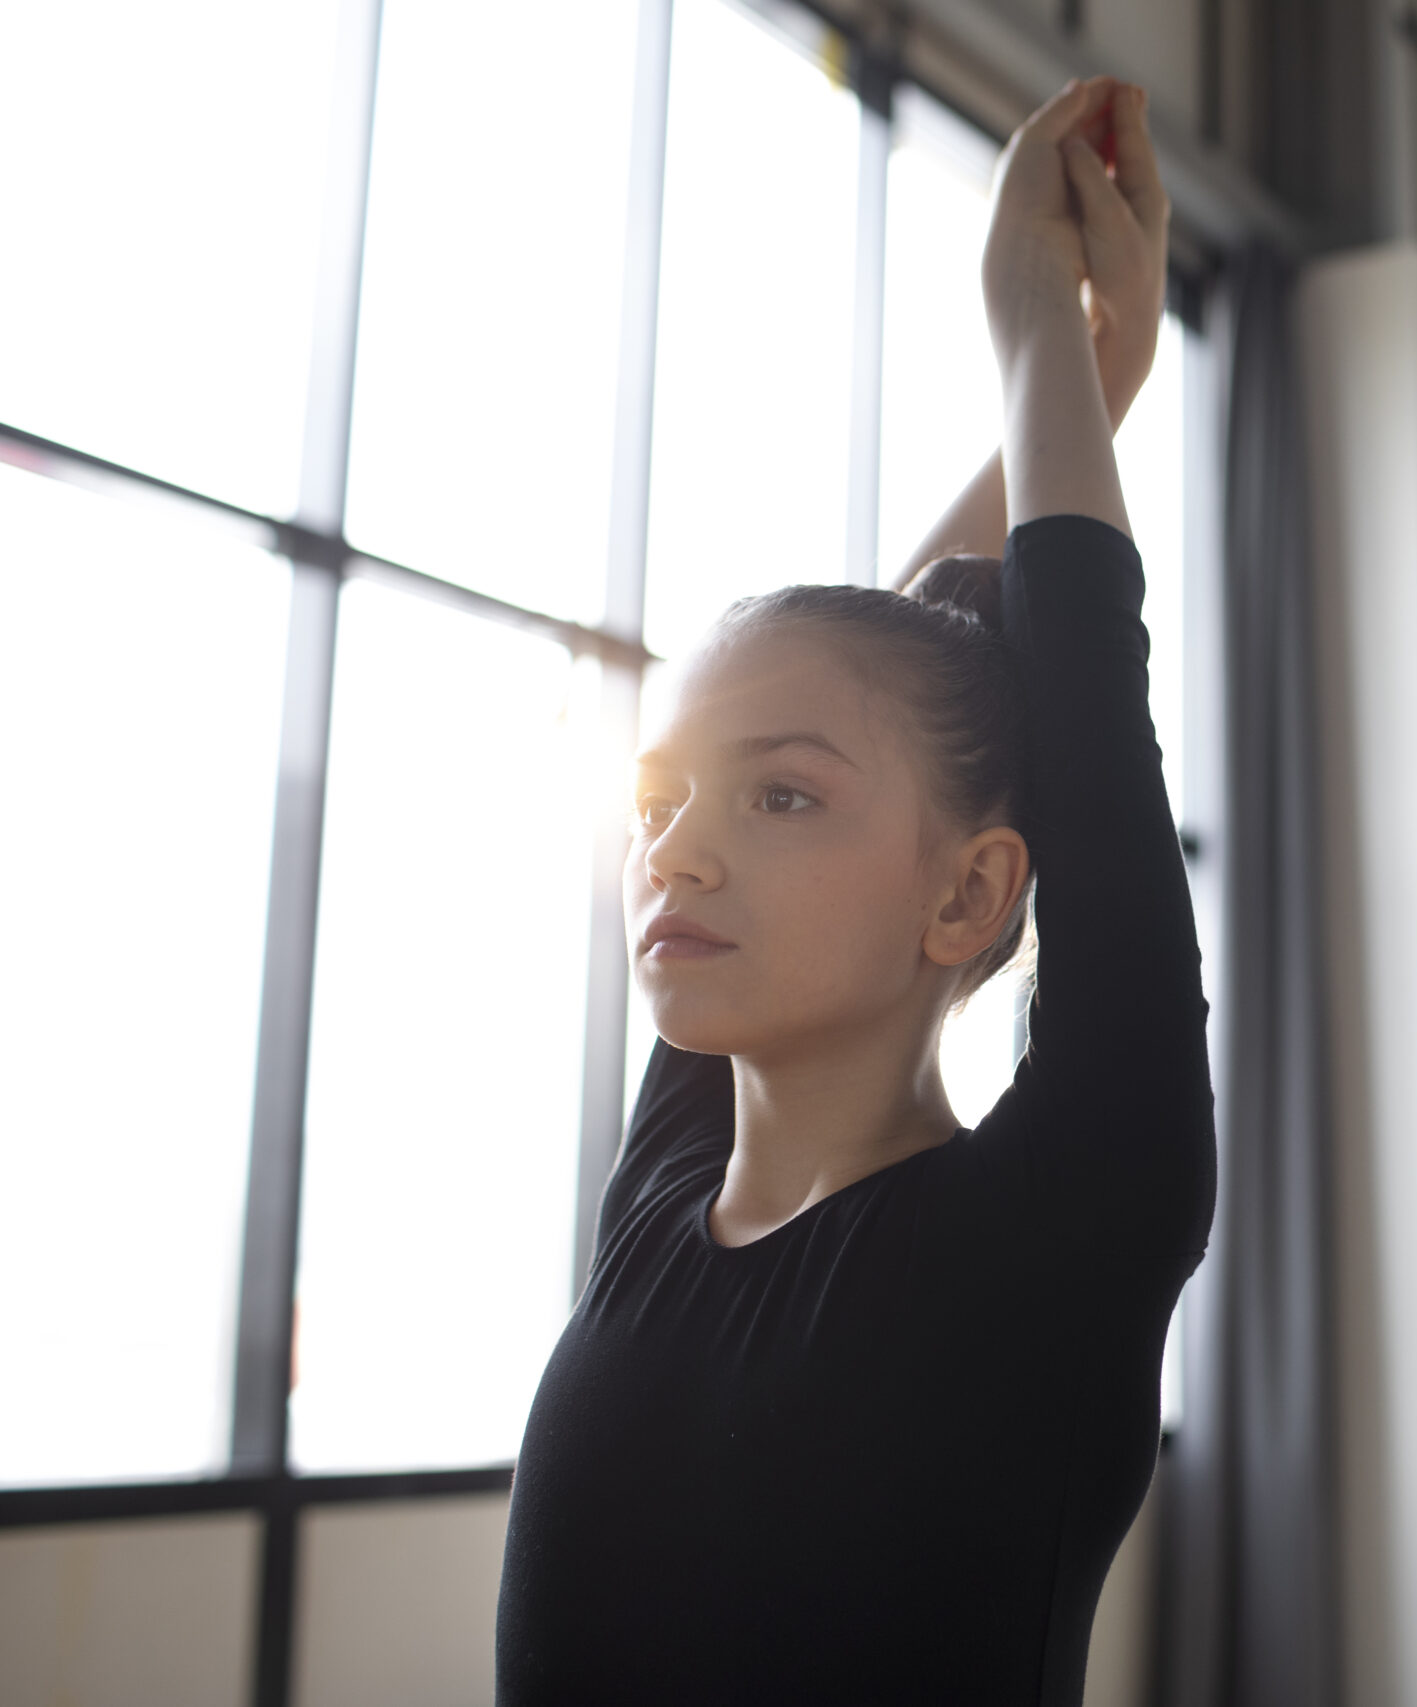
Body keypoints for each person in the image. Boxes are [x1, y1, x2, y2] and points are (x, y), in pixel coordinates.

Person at [494, 79, 1212, 1705]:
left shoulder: (1057, 1235)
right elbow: (860, 686)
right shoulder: (666, 1191)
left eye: (782, 797)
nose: (676, 850)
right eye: (661, 798)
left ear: (970, 896)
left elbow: (1064, 714)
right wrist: (1090, 386)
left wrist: (1042, 338)